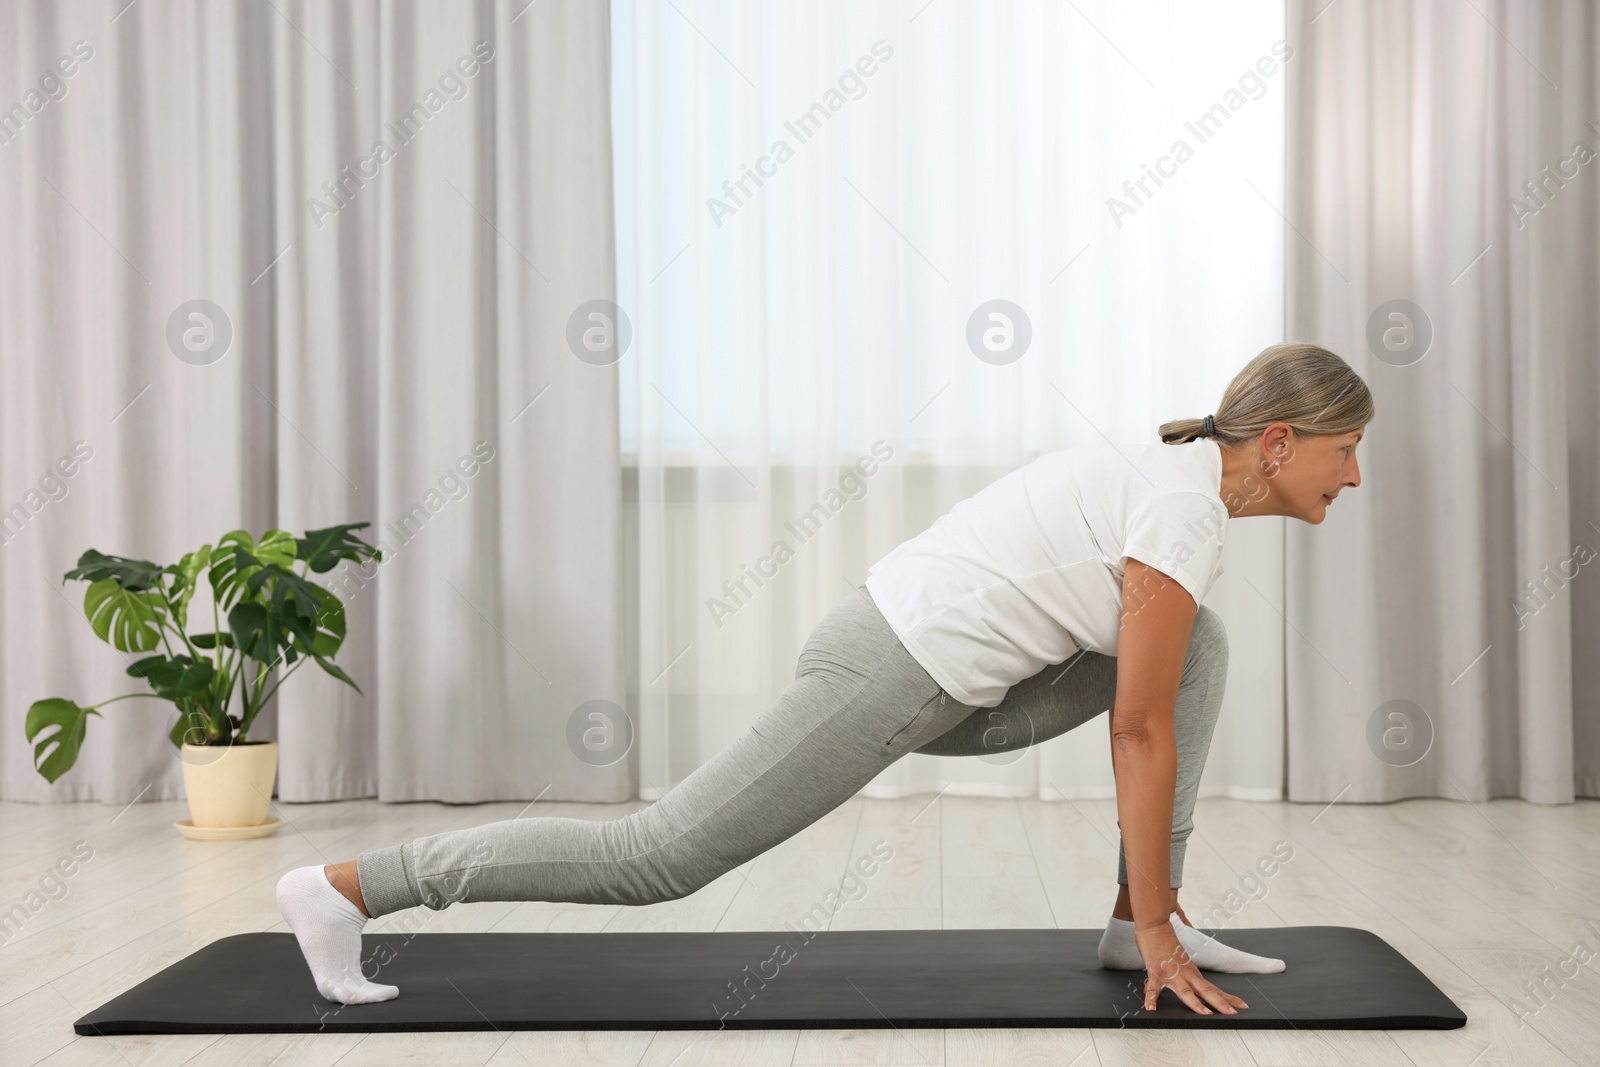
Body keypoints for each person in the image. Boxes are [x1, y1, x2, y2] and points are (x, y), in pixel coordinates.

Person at [277, 341, 1372, 1017]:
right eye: (1345, 449)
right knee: (657, 856)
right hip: (892, 665)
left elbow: (1148, 694)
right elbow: (1136, 728)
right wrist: (1175, 939)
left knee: (1206, 647)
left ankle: (1134, 918)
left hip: (960, 684)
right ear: (1278, 441)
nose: (1355, 474)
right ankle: (348, 889)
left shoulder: (1177, 487)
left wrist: (1155, 911)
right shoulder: (1179, 502)